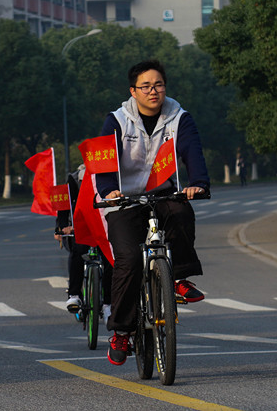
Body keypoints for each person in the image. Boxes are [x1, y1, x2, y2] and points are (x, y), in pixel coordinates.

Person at [95, 59, 210, 366]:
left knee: (181, 212)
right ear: (133, 91)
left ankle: (179, 278)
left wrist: (198, 183)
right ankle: (121, 331)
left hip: (163, 193)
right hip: (123, 200)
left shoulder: (179, 117)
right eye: (145, 86)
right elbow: (104, 164)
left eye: (158, 84)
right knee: (129, 260)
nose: (153, 91)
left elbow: (192, 151)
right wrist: (109, 191)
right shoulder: (117, 120)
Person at [54, 165, 113, 321]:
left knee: (111, 258)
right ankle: (74, 295)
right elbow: (64, 205)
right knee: (78, 250)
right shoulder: (75, 179)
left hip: (104, 226)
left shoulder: (111, 174)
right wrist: (62, 226)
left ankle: (108, 303)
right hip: (81, 227)